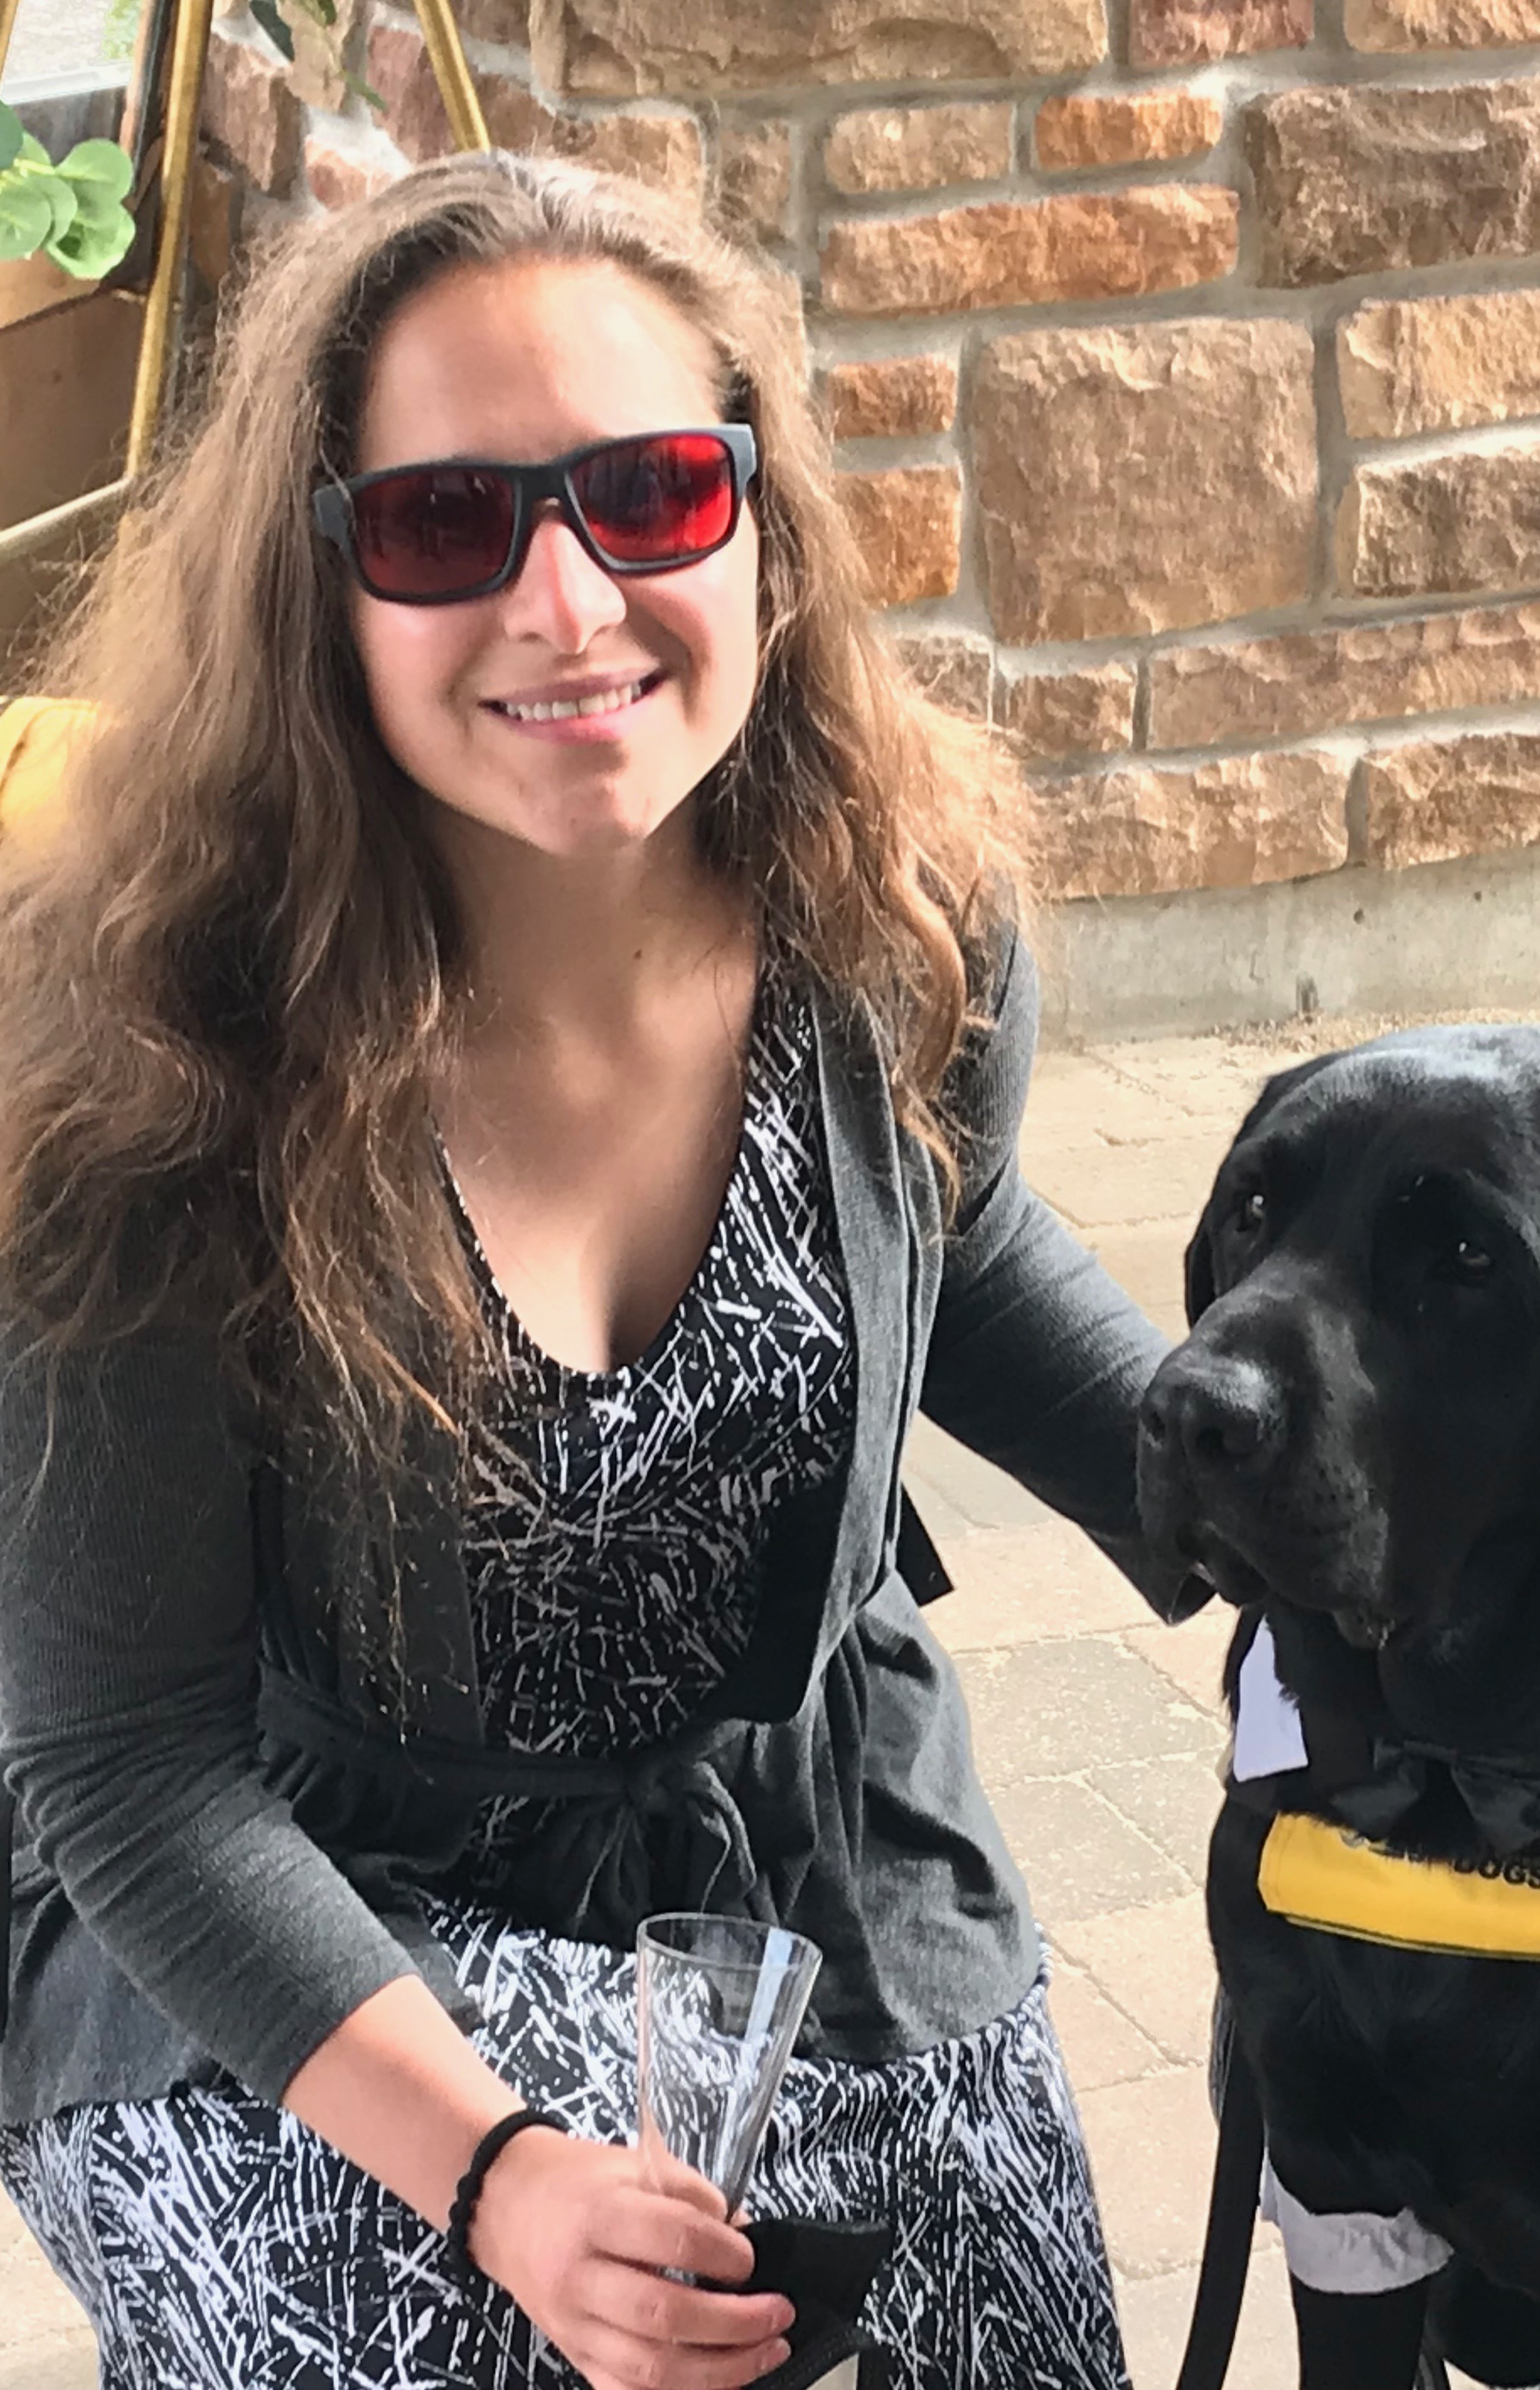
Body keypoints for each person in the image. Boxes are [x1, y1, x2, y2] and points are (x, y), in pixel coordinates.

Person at [0, 154, 1193, 2390]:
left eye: (648, 493)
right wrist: (502, 2174)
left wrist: (1262, 1510)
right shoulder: (147, 1063)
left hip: (806, 1858)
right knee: (489, 2345)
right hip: (299, 1896)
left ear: (757, 521)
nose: (569, 604)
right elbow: (130, 1762)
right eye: (451, 525)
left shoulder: (900, 916)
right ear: (321, 580)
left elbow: (968, 1225)